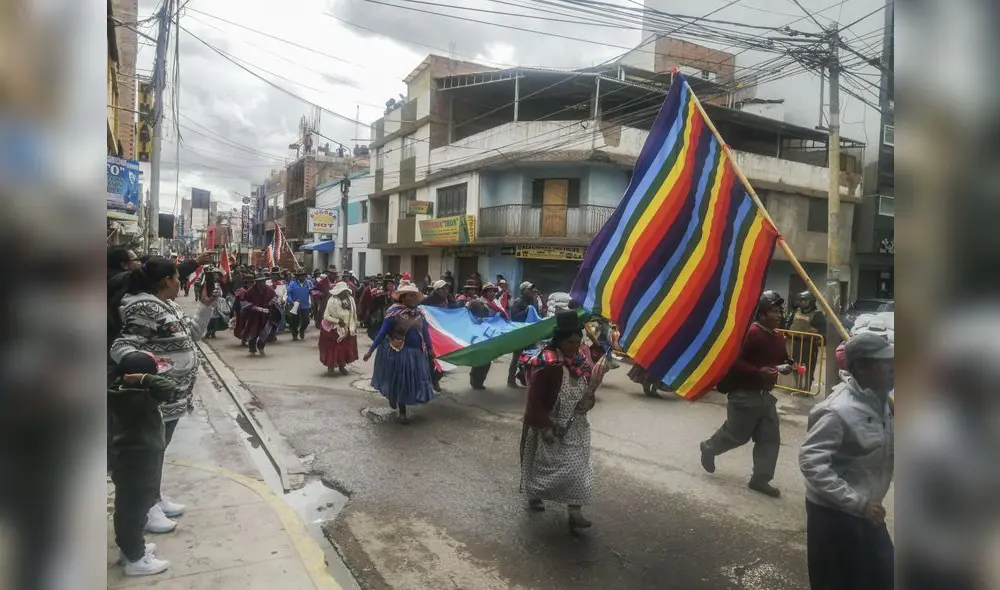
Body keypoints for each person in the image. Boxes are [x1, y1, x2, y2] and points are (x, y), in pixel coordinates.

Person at [110, 257, 217, 534]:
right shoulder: (144, 306)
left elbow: (193, 335)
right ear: (166, 280)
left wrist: (205, 305)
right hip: (156, 397)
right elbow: (123, 346)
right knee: (150, 454)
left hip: (174, 396)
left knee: (159, 450)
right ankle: (145, 509)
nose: (181, 282)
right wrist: (148, 367)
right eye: (178, 278)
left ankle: (154, 498)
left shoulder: (168, 304)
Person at [799, 332, 894, 590]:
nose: (894, 369)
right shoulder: (837, 411)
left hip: (869, 512)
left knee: (884, 578)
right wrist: (858, 503)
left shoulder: (883, 402)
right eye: (886, 364)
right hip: (835, 515)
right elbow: (811, 462)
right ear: (862, 367)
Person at [699, 291, 795, 498]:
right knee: (736, 435)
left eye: (780, 311)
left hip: (765, 396)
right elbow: (732, 360)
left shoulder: (778, 337)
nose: (779, 315)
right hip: (744, 394)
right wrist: (757, 372)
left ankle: (760, 479)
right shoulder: (750, 333)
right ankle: (709, 447)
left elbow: (780, 358)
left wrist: (788, 364)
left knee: (770, 438)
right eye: (774, 311)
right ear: (761, 314)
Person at [520, 311, 606, 530]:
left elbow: (588, 390)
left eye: (578, 342)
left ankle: (575, 512)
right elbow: (535, 399)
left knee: (579, 469)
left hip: (577, 426)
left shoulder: (581, 362)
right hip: (550, 424)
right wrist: (544, 427)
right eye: (570, 342)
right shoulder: (548, 364)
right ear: (559, 341)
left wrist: (589, 401)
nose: (575, 346)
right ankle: (534, 494)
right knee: (544, 467)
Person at [109, 351, 186, 576]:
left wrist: (138, 378)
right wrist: (145, 379)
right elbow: (173, 389)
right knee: (136, 509)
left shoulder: (118, 390)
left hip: (129, 456)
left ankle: (129, 550)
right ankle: (136, 559)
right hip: (140, 457)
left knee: (127, 507)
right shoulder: (137, 397)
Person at [363, 282, 437, 424]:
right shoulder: (394, 313)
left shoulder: (420, 313)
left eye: (414, 296)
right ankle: (402, 410)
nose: (413, 298)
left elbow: (425, 333)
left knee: (413, 382)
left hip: (417, 354)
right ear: (403, 297)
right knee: (401, 382)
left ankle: (401, 398)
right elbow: (382, 333)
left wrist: (430, 349)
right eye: (410, 296)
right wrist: (370, 351)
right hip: (400, 353)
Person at [787, 290, 827, 391]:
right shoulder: (796, 312)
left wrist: (817, 334)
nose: (803, 302)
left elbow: (822, 330)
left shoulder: (817, 314)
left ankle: (807, 388)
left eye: (805, 300)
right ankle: (798, 386)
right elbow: (789, 325)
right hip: (795, 343)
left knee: (809, 367)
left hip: (809, 344)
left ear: (811, 301)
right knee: (796, 365)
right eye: (801, 300)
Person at [320, 282, 359, 375]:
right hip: (334, 329)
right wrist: (338, 321)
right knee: (333, 349)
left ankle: (342, 366)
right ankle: (331, 366)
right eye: (342, 292)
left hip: (348, 328)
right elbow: (326, 316)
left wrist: (351, 325)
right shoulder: (332, 301)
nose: (344, 294)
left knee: (344, 348)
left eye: (345, 291)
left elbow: (353, 314)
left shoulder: (351, 300)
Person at [239, 274, 282, 355]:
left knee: (264, 333)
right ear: (256, 282)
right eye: (260, 281)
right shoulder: (251, 290)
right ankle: (252, 349)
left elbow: (275, 297)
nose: (262, 283)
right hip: (254, 316)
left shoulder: (269, 289)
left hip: (266, 315)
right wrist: (254, 307)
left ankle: (261, 347)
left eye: (263, 281)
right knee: (253, 333)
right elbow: (244, 302)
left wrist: (273, 301)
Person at [508, 281, 539, 387]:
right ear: (523, 291)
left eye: (532, 289)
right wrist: (526, 311)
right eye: (529, 289)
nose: (531, 291)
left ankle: (523, 377)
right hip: (520, 334)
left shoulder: (533, 301)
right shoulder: (518, 302)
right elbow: (514, 317)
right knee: (516, 358)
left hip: (531, 333)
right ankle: (510, 380)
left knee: (530, 357)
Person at [194, 266, 230, 339]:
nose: (216, 276)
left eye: (217, 275)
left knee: (217, 318)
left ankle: (214, 331)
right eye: (214, 275)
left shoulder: (221, 283)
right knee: (209, 318)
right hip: (210, 302)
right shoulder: (208, 283)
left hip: (219, 303)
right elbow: (203, 293)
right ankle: (208, 331)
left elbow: (225, 291)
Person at [286, 270, 313, 341]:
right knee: (295, 321)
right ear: (297, 277)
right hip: (295, 305)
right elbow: (288, 294)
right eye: (300, 276)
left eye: (303, 276)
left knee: (306, 321)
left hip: (305, 305)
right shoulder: (292, 284)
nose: (302, 277)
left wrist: (313, 300)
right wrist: (291, 301)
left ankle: (302, 330)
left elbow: (312, 292)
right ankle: (294, 334)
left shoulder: (308, 283)